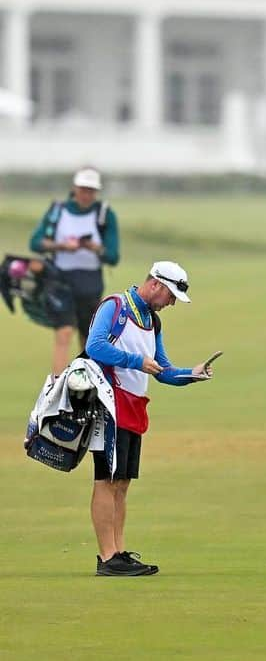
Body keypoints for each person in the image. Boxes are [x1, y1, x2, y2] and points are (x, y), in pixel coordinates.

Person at [85, 261, 218, 577]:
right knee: (106, 479)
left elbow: (163, 369)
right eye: (170, 295)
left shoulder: (153, 321)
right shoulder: (115, 306)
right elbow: (94, 346)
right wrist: (134, 361)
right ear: (155, 284)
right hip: (109, 403)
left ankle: (118, 551)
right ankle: (107, 558)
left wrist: (190, 374)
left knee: (123, 482)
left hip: (134, 407)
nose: (171, 303)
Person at [29, 167, 120, 375]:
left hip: (90, 284)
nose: (86, 195)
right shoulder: (58, 211)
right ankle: (56, 386)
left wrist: (93, 247)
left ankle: (87, 386)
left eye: (91, 190)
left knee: (89, 338)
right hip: (60, 281)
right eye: (83, 189)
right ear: (75, 188)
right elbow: (36, 242)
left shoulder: (104, 215)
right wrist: (61, 246)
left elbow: (113, 256)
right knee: (64, 332)